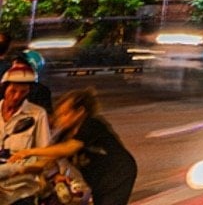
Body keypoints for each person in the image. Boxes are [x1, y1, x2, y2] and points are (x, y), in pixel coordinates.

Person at [9, 89, 137, 205]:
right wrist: (20, 170)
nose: (60, 119)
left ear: (80, 112)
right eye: (59, 115)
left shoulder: (91, 125)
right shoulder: (64, 135)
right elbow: (46, 161)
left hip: (119, 174)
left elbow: (68, 148)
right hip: (98, 180)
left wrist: (28, 152)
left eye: (65, 114)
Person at [0, 60, 49, 160]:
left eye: (23, 92)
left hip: (20, 168)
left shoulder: (38, 114)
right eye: (13, 91)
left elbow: (44, 152)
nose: (17, 97)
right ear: (4, 89)